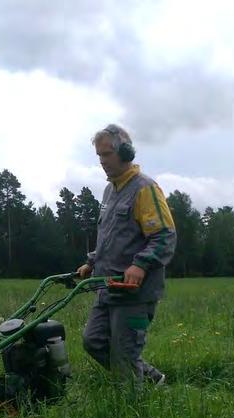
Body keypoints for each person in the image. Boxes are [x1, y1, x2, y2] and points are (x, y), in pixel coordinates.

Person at [76, 124, 176, 385]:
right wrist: (92, 261)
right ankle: (152, 379)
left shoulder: (145, 189)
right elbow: (111, 238)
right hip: (107, 288)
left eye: (107, 154)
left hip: (135, 293)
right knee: (93, 341)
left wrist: (141, 265)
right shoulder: (110, 191)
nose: (102, 161)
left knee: (124, 356)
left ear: (126, 152)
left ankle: (132, 413)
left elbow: (164, 236)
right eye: (99, 156)